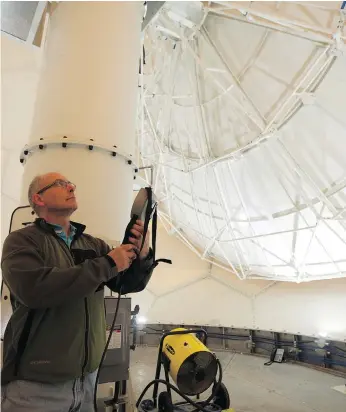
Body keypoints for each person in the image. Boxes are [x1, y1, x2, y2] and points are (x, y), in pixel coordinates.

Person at [1, 172, 155, 412]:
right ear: (38, 199)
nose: (71, 187)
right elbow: (35, 289)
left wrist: (142, 257)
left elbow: (125, 284)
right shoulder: (21, 241)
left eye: (71, 183)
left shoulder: (93, 244)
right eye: (61, 184)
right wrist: (107, 263)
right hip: (36, 388)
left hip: (87, 382)